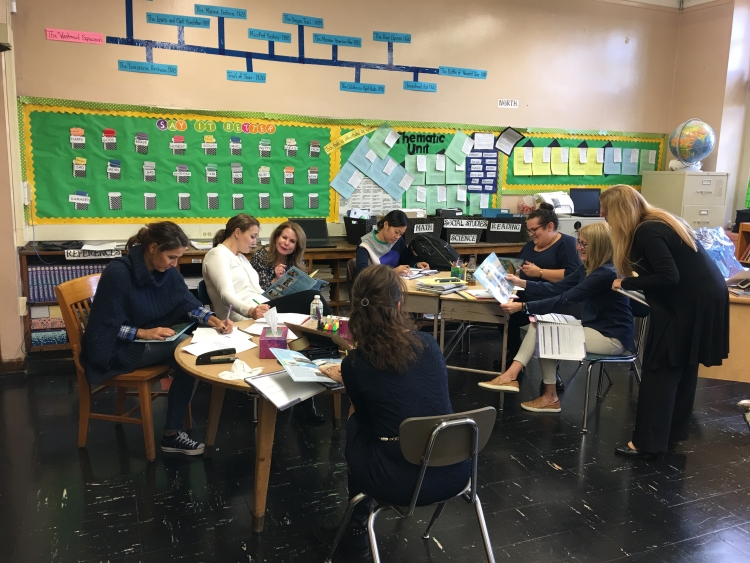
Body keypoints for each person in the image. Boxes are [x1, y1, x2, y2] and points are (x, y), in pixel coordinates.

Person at [316, 266, 470, 558]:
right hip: (455, 472)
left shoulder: (355, 364)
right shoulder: (429, 344)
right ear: (399, 305)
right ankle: (356, 527)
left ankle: (356, 530)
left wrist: (350, 380)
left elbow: (366, 419)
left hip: (396, 483)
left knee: (356, 425)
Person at [80, 222, 234, 456]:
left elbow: (185, 303)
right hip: (116, 349)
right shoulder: (118, 273)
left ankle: (172, 431)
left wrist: (214, 320)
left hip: (146, 342)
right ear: (153, 248)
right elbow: (104, 327)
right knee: (186, 351)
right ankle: (172, 435)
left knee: (190, 356)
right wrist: (142, 333)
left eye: (178, 258)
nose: (174, 264)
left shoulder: (167, 273)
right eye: (171, 257)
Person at [600, 185, 729, 458]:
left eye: (606, 211)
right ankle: (671, 435)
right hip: (704, 299)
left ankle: (647, 443)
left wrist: (627, 282)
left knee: (660, 369)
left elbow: (668, 276)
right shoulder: (660, 222)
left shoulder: (647, 231)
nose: (603, 217)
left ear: (620, 211)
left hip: (687, 304)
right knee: (683, 367)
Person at [479, 222, 634, 414]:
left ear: (599, 245)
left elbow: (565, 298)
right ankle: (521, 382)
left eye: (584, 244)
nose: (578, 247)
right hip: (595, 328)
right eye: (578, 242)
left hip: (611, 337)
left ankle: (527, 385)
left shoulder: (604, 273)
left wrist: (524, 306)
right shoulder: (590, 267)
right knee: (540, 324)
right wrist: (522, 282)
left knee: (546, 334)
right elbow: (558, 287)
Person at [497, 203, 582, 380]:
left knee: (526, 319)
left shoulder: (567, 244)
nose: (531, 234)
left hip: (553, 300)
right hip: (527, 294)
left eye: (534, 230)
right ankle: (515, 355)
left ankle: (533, 369)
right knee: (500, 312)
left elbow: (573, 276)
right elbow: (518, 268)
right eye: (529, 230)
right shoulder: (530, 246)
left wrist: (540, 272)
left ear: (550, 226)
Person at [202, 214, 331, 322]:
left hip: (262, 305)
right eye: (252, 237)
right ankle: (336, 331)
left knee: (311, 309)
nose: (255, 242)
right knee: (311, 297)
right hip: (244, 314)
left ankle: (330, 334)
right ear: (237, 233)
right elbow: (226, 295)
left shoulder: (241, 258)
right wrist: (251, 311)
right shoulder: (217, 255)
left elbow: (257, 290)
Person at [355, 210, 429, 276]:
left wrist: (417, 264)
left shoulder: (398, 241)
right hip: (374, 284)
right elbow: (362, 272)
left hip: (395, 282)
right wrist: (392, 272)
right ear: (386, 225)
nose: (397, 237)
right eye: (396, 232)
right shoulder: (365, 243)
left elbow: (406, 258)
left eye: (401, 234)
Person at [250, 221, 307, 290]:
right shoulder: (260, 256)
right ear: (277, 238)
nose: (286, 243)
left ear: (296, 246)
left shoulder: (297, 258)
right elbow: (258, 291)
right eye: (284, 237)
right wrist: (276, 279)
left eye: (292, 241)